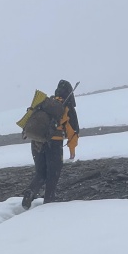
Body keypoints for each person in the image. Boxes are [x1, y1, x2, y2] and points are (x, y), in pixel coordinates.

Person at [22, 80, 80, 208]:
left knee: (41, 173)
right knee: (53, 174)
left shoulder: (44, 103)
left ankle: (30, 191)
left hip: (37, 142)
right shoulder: (66, 106)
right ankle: (49, 202)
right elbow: (73, 131)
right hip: (54, 143)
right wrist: (72, 150)